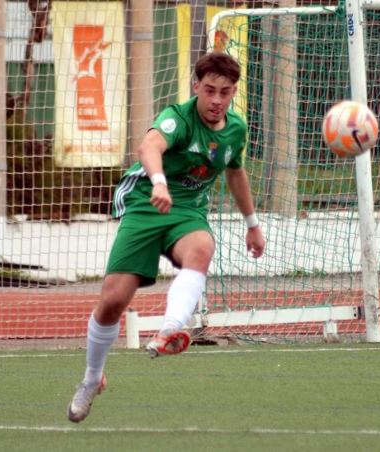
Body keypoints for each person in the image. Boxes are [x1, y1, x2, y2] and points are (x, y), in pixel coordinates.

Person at [67, 52, 266, 423]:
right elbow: (149, 148)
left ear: (234, 92)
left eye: (224, 92)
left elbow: (235, 172)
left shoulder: (236, 129)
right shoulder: (178, 117)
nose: (216, 100)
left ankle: (170, 330)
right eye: (209, 90)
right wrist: (159, 182)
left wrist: (252, 222)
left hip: (188, 209)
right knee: (113, 300)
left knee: (203, 247)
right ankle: (93, 378)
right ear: (196, 87)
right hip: (146, 200)